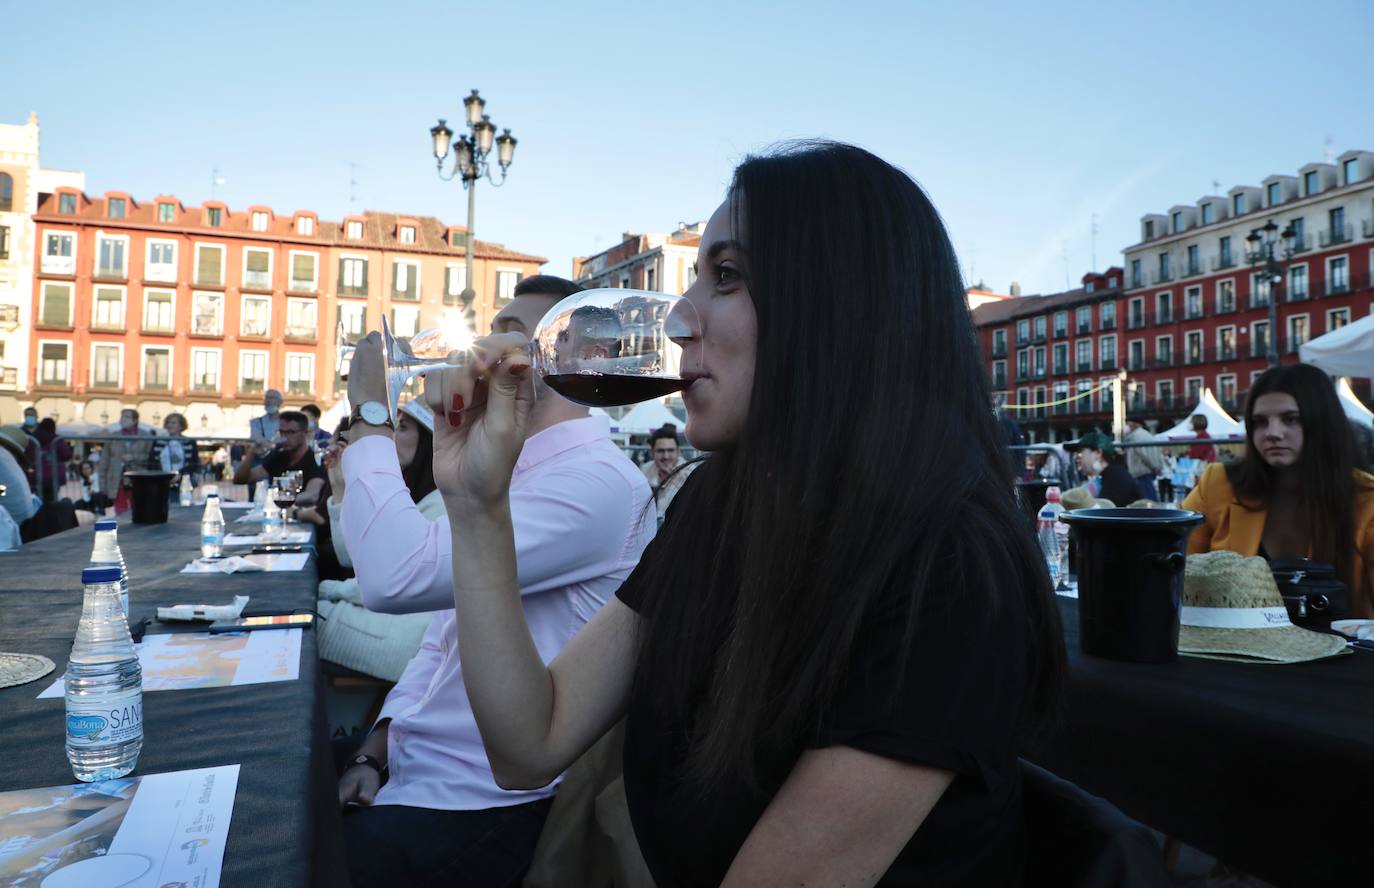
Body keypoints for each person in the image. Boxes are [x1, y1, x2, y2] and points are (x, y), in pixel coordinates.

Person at [425, 142, 1065, 885]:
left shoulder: (948, 572)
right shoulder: (720, 506)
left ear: (839, 306)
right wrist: (476, 504)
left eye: (726, 276)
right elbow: (528, 741)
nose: (676, 324)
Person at [333, 273, 654, 887]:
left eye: (510, 332)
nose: (481, 346)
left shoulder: (598, 482)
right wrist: (376, 749)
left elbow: (394, 578)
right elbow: (441, 639)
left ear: (584, 357)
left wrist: (372, 414)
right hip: (414, 772)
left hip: (487, 804)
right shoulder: (510, 470)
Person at [1183, 364, 1374, 618]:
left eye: (1290, 419)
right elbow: (1176, 569)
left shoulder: (1366, 499)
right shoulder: (1218, 483)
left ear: (1323, 422)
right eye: (1260, 422)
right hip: (1231, 648)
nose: (1273, 433)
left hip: (1343, 650)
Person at [316, 400, 441, 681]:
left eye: (405, 428)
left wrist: (326, 589)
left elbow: (392, 581)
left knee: (302, 619)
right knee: (299, 613)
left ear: (429, 441)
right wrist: (340, 489)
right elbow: (353, 557)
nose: (392, 435)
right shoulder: (411, 490)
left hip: (407, 639)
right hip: (391, 622)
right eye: (393, 427)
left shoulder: (440, 503)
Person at [232, 409, 326, 504]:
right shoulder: (279, 457)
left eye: (291, 432)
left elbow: (312, 495)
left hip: (304, 515)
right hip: (278, 514)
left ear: (304, 433)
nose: (285, 437)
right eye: (282, 432)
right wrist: (251, 454)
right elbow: (240, 479)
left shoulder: (315, 459)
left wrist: (278, 500)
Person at [98, 409, 152, 515]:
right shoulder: (113, 436)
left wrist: (134, 457)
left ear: (135, 420)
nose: (123, 419)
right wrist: (102, 483)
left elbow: (149, 457)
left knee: (138, 507)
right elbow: (104, 460)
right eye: (122, 416)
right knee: (120, 510)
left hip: (138, 477)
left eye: (127, 417)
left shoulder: (146, 436)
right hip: (117, 478)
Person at [641, 424, 695, 524]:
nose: (666, 456)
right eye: (660, 451)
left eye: (670, 450)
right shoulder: (645, 470)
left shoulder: (690, 473)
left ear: (678, 451)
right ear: (652, 453)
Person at [1066, 431, 1136, 507]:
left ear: (1098, 453)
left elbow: (1102, 513)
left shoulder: (1116, 475)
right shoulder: (1108, 475)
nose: (1076, 457)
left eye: (1080, 451)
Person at [27, 417, 74, 503]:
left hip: (35, 475)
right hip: (53, 476)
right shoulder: (57, 440)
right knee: (51, 501)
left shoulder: (32, 439)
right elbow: (66, 455)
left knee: (37, 500)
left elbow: (28, 456)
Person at [0, 426, 38, 529]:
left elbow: (3, 490)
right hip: (22, 525)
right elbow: (4, 489)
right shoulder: (6, 458)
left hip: (11, 526)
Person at [1123, 418, 1163, 501]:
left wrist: (1154, 467)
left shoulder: (1136, 436)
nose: (1127, 426)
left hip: (1141, 471)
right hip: (1145, 471)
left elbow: (1142, 454)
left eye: (1128, 423)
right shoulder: (1146, 435)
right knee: (1149, 497)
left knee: (1147, 499)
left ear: (1135, 424)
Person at [151, 413, 197, 484]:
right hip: (162, 480)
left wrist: (180, 474)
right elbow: (153, 462)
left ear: (181, 426)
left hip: (183, 481)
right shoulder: (158, 442)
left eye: (173, 423)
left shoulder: (189, 442)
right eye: (168, 423)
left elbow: (193, 463)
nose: (169, 425)